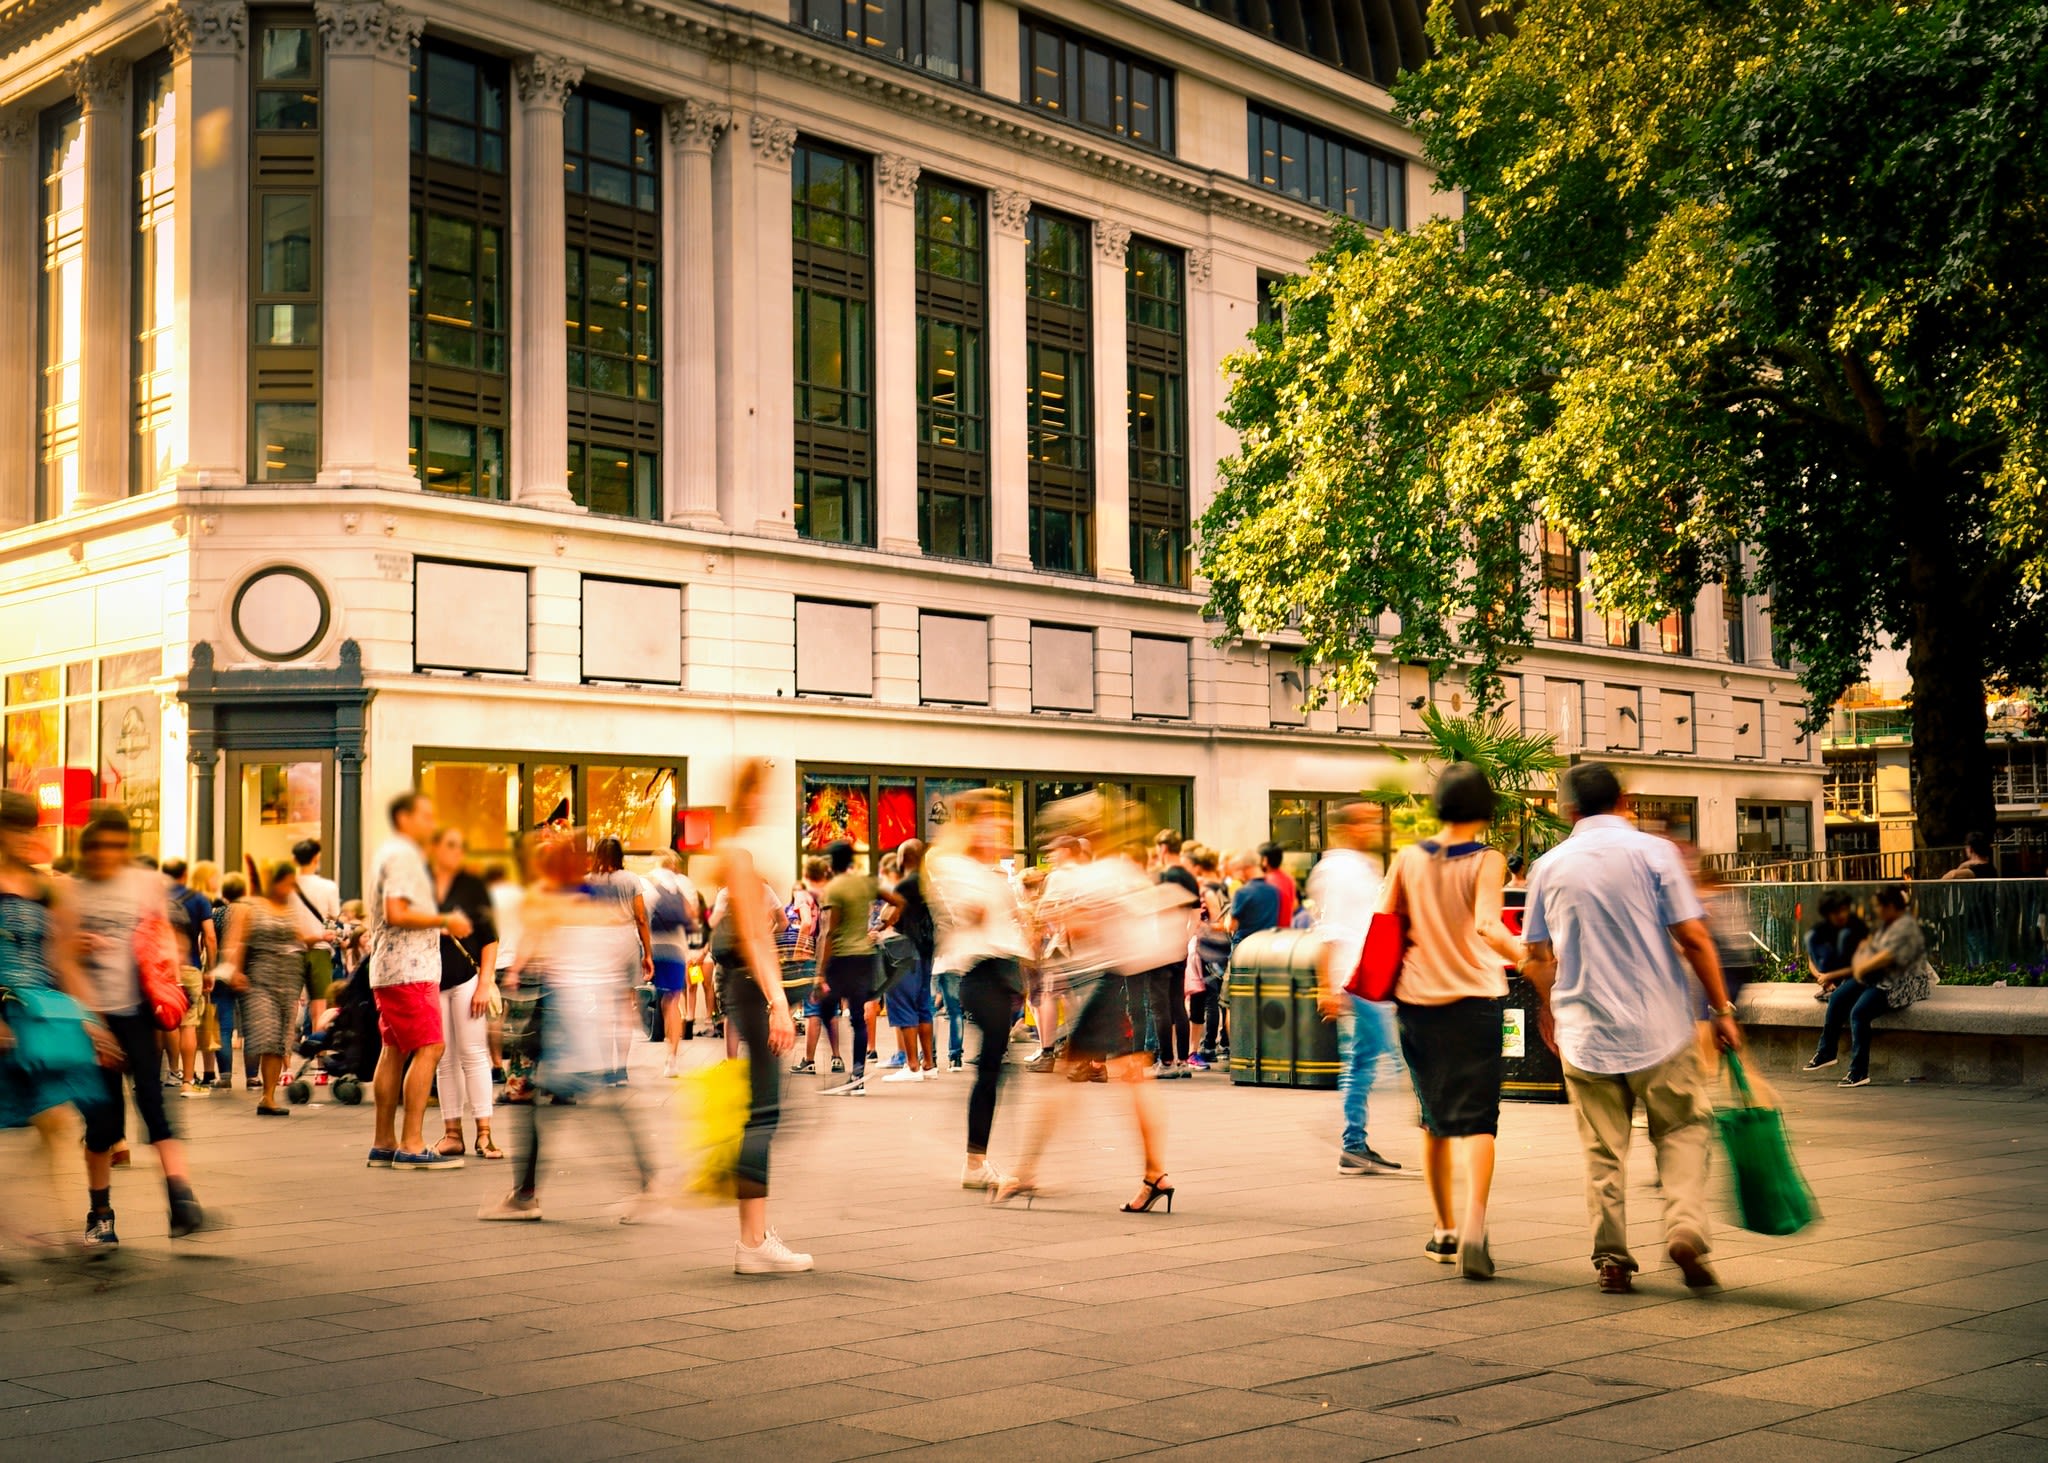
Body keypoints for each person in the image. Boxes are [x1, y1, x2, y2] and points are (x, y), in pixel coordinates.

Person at [1521, 761, 1741, 1296]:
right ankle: (1685, 1226)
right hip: (1659, 1027)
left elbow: (1535, 954)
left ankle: (1613, 1260)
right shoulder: (1655, 853)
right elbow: (1693, 937)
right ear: (1625, 800)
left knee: (1602, 1152)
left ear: (1567, 809)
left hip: (1585, 1031)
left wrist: (1550, 1012)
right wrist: (1722, 1011)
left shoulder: (1548, 866)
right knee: (1683, 1130)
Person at [997, 796, 1186, 1214]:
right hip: (1125, 980)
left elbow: (1088, 925)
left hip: (1116, 981)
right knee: (1124, 1079)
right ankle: (1154, 1174)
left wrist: (1060, 914)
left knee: (1099, 1078)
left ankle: (1030, 1170)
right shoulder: (1122, 870)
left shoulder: (1103, 874)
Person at [1379, 767, 1520, 1279]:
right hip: (1475, 1002)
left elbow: (1384, 921)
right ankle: (1476, 1228)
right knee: (1479, 1121)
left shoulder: (1409, 858)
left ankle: (1443, 1231)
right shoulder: (1488, 859)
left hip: (1417, 1002)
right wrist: (1524, 953)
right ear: (1484, 810)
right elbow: (1487, 924)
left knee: (1433, 1116)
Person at [479, 830, 658, 1223]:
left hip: (571, 1026)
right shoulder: (586, 901)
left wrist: (521, 973)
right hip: (574, 1022)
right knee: (560, 1109)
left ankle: (530, 1195)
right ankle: (529, 1193)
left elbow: (543, 946)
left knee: (556, 1109)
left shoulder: (563, 899)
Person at [72, 805, 205, 1247]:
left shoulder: (145, 883)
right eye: (102, 846)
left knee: (155, 1101)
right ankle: (100, 1211)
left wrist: (167, 956)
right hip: (93, 1017)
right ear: (87, 850)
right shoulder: (72, 892)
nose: (110, 854)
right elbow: (60, 953)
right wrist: (79, 944)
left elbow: (169, 936)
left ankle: (181, 1199)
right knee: (104, 1123)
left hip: (137, 1012)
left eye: (119, 845)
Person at [0, 791, 121, 1259]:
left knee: (54, 1121)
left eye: (31, 828)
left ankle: (48, 1221)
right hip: (7, 1013)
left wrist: (92, 1021)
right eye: (17, 828)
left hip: (37, 1015)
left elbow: (64, 961)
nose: (27, 837)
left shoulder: (49, 887)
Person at [701, 760, 809, 1271]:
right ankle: (753, 1242)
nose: (768, 802)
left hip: (742, 989)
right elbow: (757, 939)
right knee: (764, 1115)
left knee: (763, 1113)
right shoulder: (739, 858)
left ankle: (754, 1236)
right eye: (763, 792)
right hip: (750, 988)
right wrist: (780, 1005)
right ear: (748, 796)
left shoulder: (733, 853)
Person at [929, 790, 1030, 1188]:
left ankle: (978, 1159)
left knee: (997, 1067)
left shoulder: (985, 871)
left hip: (1002, 974)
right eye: (992, 819)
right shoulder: (952, 865)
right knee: (992, 1064)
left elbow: (1009, 925)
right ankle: (975, 1162)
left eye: (1004, 820)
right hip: (980, 973)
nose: (1001, 828)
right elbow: (966, 914)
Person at [366, 791, 469, 1170]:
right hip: (410, 970)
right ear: (405, 819)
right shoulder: (405, 855)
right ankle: (411, 1142)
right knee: (431, 1048)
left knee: (393, 1049)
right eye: (425, 816)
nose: (431, 823)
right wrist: (444, 921)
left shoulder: (389, 853)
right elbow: (397, 912)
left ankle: (384, 1142)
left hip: (390, 968)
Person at [1313, 804, 1401, 1176]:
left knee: (1363, 1061)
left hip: (1369, 977)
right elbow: (1329, 930)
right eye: (1367, 820)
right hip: (1355, 979)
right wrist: (1326, 988)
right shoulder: (1336, 869)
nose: (1376, 826)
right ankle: (1354, 1141)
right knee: (1393, 1058)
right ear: (1348, 827)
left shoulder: (1362, 867)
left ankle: (1354, 1143)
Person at [218, 859, 323, 1115]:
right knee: (265, 1033)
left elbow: (300, 937)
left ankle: (268, 1096)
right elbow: (236, 941)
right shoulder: (248, 907)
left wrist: (320, 937)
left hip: (288, 979)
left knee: (279, 1040)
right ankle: (261, 1088)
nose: (290, 888)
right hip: (259, 978)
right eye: (286, 883)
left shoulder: (288, 909)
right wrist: (236, 970)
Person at [1804, 884, 1933, 1087]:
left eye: (1878, 906)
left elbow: (1887, 956)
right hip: (1875, 975)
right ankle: (1827, 1051)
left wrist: (1862, 967)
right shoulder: (1885, 924)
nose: (1876, 910)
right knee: (1838, 998)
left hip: (1898, 982)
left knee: (1859, 1012)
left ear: (1890, 906)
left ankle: (1858, 1072)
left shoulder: (1906, 926)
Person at [430, 828, 500, 1158]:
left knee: (474, 1054)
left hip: (467, 978)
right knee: (444, 1060)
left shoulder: (473, 888)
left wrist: (485, 983)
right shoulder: (421, 888)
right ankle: (452, 1133)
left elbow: (489, 939)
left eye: (459, 848)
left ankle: (484, 1134)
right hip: (431, 981)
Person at [816, 840, 899, 1094]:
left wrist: (820, 971)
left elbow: (830, 931)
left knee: (825, 1005)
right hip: (865, 956)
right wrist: (883, 925)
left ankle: (847, 1066)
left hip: (841, 957)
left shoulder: (834, 888)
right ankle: (858, 1073)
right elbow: (898, 901)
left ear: (831, 863)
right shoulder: (866, 882)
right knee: (857, 1017)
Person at [1144, 831, 1199, 1079]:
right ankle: (1183, 1061)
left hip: (1159, 946)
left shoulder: (1162, 877)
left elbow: (1151, 912)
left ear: (1164, 848)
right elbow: (1196, 915)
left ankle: (1166, 1061)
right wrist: (1185, 939)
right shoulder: (1189, 877)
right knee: (1178, 1003)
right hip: (1179, 946)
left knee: (1160, 1006)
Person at [883, 840, 939, 1083]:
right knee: (923, 1007)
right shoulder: (929, 883)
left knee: (903, 1005)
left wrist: (878, 927)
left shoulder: (906, 884)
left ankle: (912, 1065)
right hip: (926, 952)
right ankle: (929, 1063)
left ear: (903, 856)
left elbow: (890, 915)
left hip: (905, 951)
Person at [161, 859, 217, 1097]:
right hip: (189, 967)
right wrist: (209, 969)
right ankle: (187, 1081)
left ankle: (160, 1075)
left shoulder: (155, 898)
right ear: (185, 874)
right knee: (188, 1024)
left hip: (159, 969)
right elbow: (210, 937)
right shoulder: (198, 899)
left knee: (160, 1023)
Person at [646, 850, 698, 1077]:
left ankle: (616, 1063)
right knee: (672, 1003)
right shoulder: (684, 884)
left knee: (635, 997)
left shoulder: (647, 881)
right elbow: (693, 917)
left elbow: (640, 917)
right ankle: (672, 1060)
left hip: (652, 948)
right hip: (676, 949)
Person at [786, 857, 840, 1076]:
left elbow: (806, 923)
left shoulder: (803, 895)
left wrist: (799, 950)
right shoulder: (831, 894)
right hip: (832, 956)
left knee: (812, 1011)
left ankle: (809, 1060)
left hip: (811, 957)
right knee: (831, 1009)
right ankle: (837, 1058)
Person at [291, 838, 341, 1032]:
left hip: (292, 950)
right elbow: (334, 915)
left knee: (290, 1007)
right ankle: (318, 1056)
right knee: (319, 1007)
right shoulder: (328, 887)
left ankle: (284, 1061)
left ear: (294, 859)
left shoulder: (287, 887)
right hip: (320, 950)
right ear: (317, 858)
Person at [1188, 845, 1232, 1068]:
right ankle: (1212, 1045)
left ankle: (1208, 1047)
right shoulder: (1223, 887)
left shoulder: (1208, 890)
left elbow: (1219, 922)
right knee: (1214, 999)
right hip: (1220, 949)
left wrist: (1199, 927)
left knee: (1210, 1000)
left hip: (1211, 949)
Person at [185, 860, 227, 1087]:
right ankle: (209, 1070)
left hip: (190, 963)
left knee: (199, 1019)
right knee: (205, 1018)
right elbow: (209, 938)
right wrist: (210, 967)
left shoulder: (187, 900)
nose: (217, 880)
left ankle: (205, 1070)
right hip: (199, 965)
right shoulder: (207, 903)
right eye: (214, 876)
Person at [1804, 891, 1869, 1001]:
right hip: (1831, 979)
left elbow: (1863, 964)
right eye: (1837, 912)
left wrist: (1829, 976)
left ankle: (1839, 988)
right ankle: (1832, 988)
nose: (1842, 915)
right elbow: (1811, 959)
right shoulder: (1821, 929)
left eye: (1844, 910)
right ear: (1828, 914)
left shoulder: (1857, 926)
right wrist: (1822, 978)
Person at [1260, 842, 1298, 927]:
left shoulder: (1264, 881)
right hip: (1285, 931)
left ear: (1265, 860)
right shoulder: (1289, 880)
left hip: (1267, 933)